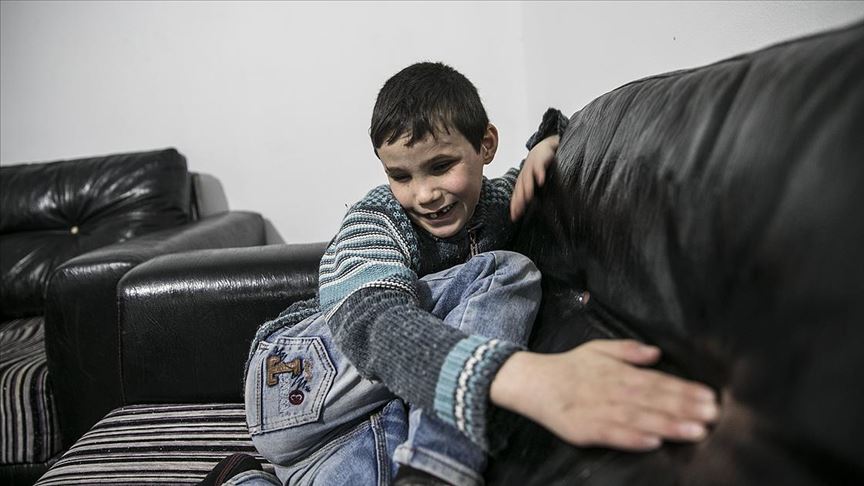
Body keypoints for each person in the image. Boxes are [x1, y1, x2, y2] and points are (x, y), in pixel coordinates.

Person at [209, 62, 719, 486]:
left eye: (441, 166)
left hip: (338, 433)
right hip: (297, 372)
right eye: (401, 175)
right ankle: (439, 468)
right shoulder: (378, 218)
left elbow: (551, 146)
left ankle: (241, 478)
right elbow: (369, 322)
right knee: (503, 270)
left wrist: (547, 141)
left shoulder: (498, 202)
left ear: (486, 146)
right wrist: (522, 379)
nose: (424, 194)